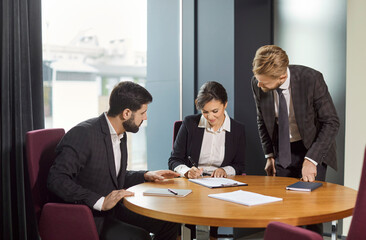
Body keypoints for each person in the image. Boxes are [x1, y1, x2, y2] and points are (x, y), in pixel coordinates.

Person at [48, 81, 180, 240]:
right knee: (140, 237)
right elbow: (56, 179)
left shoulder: (120, 134)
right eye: (142, 112)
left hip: (114, 210)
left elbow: (112, 176)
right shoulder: (83, 134)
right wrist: (100, 202)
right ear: (126, 113)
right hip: (89, 216)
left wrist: (146, 175)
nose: (145, 117)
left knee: (170, 222)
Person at [251, 45, 339, 234]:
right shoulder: (257, 83)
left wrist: (311, 160)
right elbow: (262, 119)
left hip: (312, 147)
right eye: (258, 80)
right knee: (282, 209)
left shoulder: (311, 79)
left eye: (264, 83)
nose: (259, 85)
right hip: (282, 149)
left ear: (281, 77)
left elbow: (331, 122)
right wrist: (269, 155)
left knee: (312, 212)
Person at [168, 81, 246, 239]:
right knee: (183, 223)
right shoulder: (190, 123)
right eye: (205, 112)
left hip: (219, 187)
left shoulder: (238, 130)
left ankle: (210, 235)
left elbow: (240, 165)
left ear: (225, 104)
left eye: (215, 111)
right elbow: (174, 160)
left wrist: (224, 170)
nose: (210, 117)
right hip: (191, 185)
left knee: (210, 216)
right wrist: (187, 171)